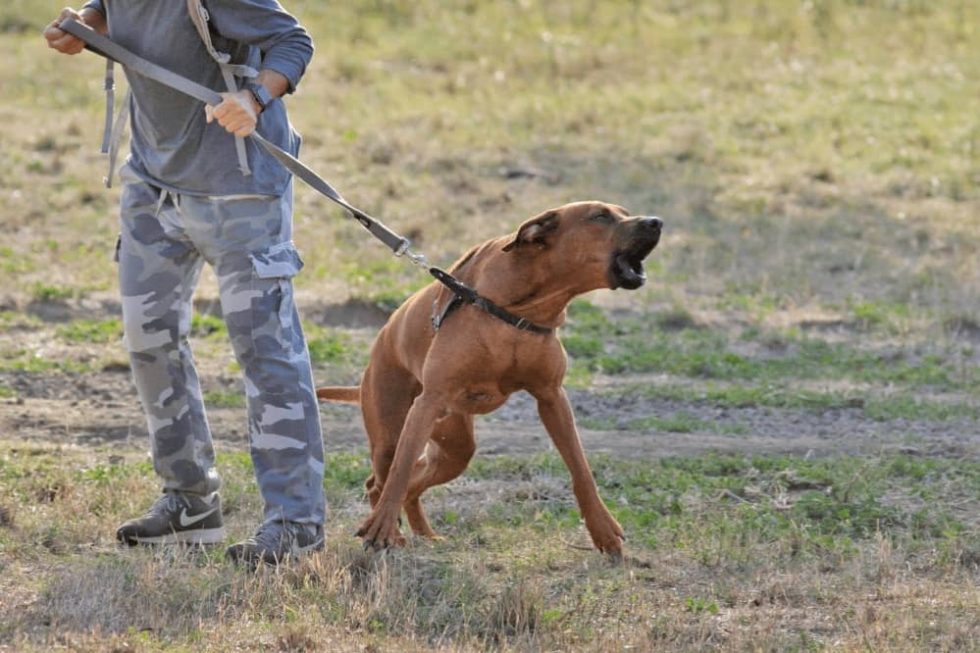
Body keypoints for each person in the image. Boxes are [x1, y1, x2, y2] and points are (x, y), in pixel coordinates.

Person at [43, 1, 326, 567]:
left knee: (265, 350)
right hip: (152, 183)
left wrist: (254, 98)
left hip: (239, 188)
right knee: (149, 340)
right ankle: (190, 502)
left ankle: (295, 524)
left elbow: (294, 42)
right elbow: (113, 9)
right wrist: (87, 25)